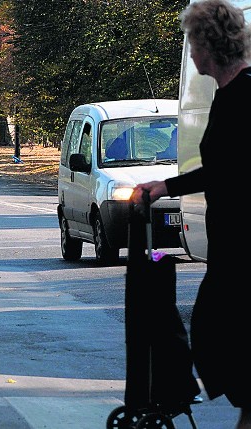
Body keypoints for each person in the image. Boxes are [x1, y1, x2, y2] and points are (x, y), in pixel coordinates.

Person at [131, 1, 251, 427]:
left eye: (191, 42)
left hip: (243, 249)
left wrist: (169, 186)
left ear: (206, 45)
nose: (190, 53)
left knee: (211, 332)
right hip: (231, 247)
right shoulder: (229, 95)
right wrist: (166, 186)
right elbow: (222, 168)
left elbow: (233, 170)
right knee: (215, 334)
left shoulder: (243, 97)